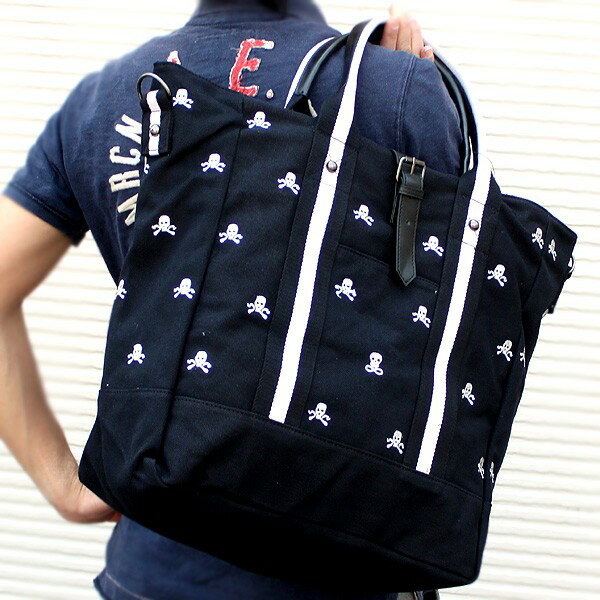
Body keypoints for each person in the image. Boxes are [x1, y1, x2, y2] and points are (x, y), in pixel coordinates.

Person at [0, 0, 460, 598]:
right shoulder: (388, 82)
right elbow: (445, 305)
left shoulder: (105, 97)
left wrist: (65, 484)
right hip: (336, 565)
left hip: (153, 565)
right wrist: (406, 100)